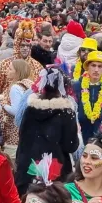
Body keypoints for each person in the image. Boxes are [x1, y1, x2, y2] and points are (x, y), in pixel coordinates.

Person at [15, 66, 78, 195]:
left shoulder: (30, 110)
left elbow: (22, 138)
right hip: (56, 169)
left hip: (28, 167)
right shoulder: (66, 112)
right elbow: (71, 145)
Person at [73, 50, 102, 143]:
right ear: (87, 67)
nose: (96, 70)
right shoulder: (76, 86)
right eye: (93, 65)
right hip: (79, 136)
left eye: (100, 66)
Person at [0, 59, 34, 159]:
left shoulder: (15, 87)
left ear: (17, 72)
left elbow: (16, 111)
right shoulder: (30, 85)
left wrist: (3, 104)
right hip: (28, 131)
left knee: (13, 164)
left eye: (10, 69)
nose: (7, 71)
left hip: (15, 133)